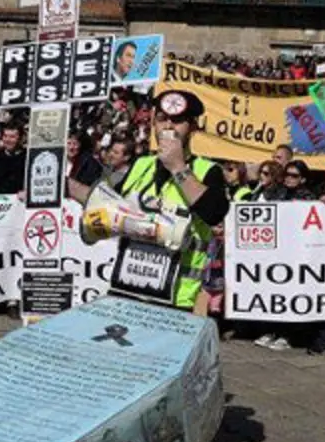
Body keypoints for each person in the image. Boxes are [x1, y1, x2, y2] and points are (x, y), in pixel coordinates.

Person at [74, 90, 230, 311]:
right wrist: (64, 185)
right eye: (162, 119)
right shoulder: (140, 165)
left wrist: (177, 167)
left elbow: (214, 212)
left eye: (177, 121)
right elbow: (98, 197)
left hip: (175, 299)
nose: (168, 127)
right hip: (128, 290)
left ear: (193, 127)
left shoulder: (208, 171)